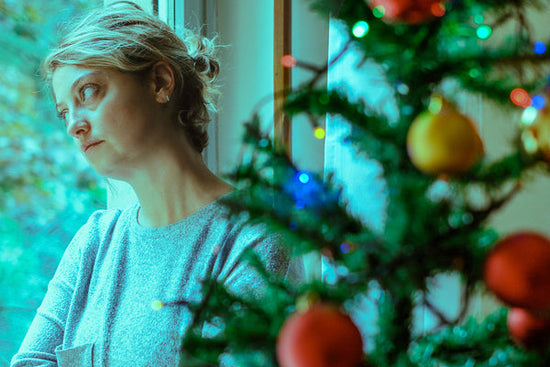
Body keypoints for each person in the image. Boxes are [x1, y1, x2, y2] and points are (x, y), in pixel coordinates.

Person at [11, 2, 291, 366]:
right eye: (65, 110)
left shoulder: (253, 238)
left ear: (160, 83)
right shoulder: (93, 244)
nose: (73, 125)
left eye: (89, 92)